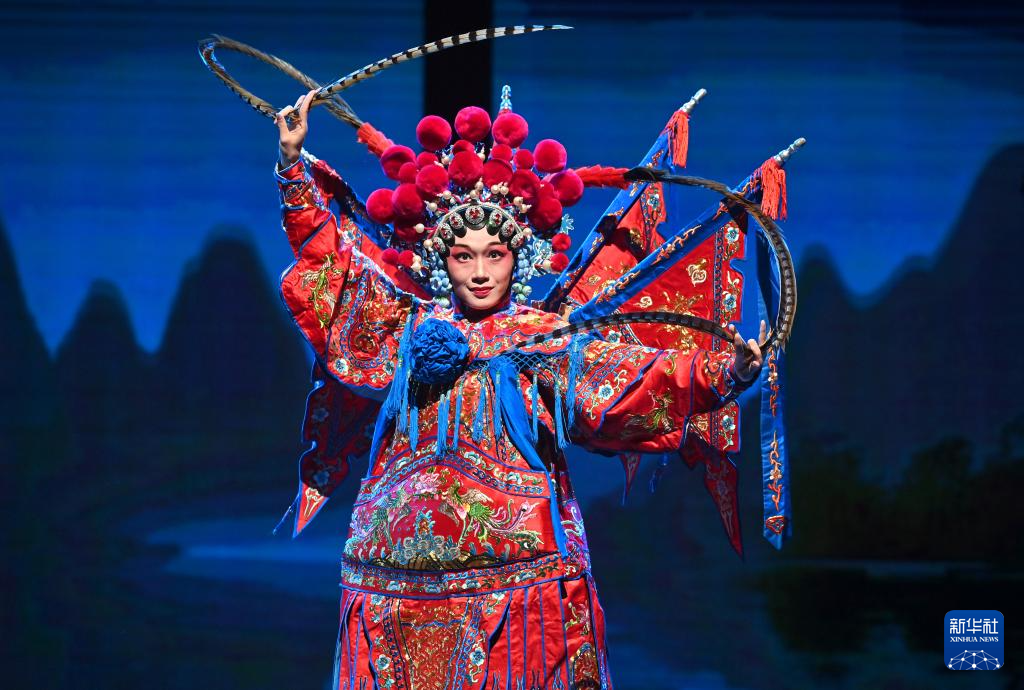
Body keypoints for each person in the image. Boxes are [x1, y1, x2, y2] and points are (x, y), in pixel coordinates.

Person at [273, 89, 764, 690]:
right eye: (463, 256)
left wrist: (725, 372)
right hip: (389, 578)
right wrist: (292, 168)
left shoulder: (542, 337)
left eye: (495, 255)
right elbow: (332, 268)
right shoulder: (404, 327)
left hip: (519, 580)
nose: (480, 272)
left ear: (518, 256)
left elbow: (629, 383)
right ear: (440, 259)